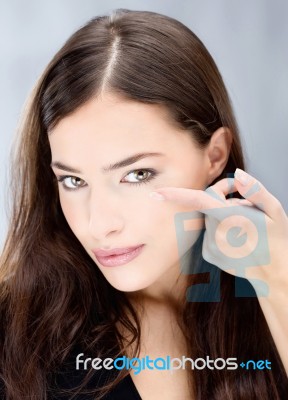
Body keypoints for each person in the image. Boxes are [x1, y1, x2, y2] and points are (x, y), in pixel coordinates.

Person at [0, 8, 287, 400]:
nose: (99, 223)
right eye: (73, 180)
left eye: (136, 174)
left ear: (214, 156)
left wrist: (278, 282)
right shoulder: (16, 334)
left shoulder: (269, 296)